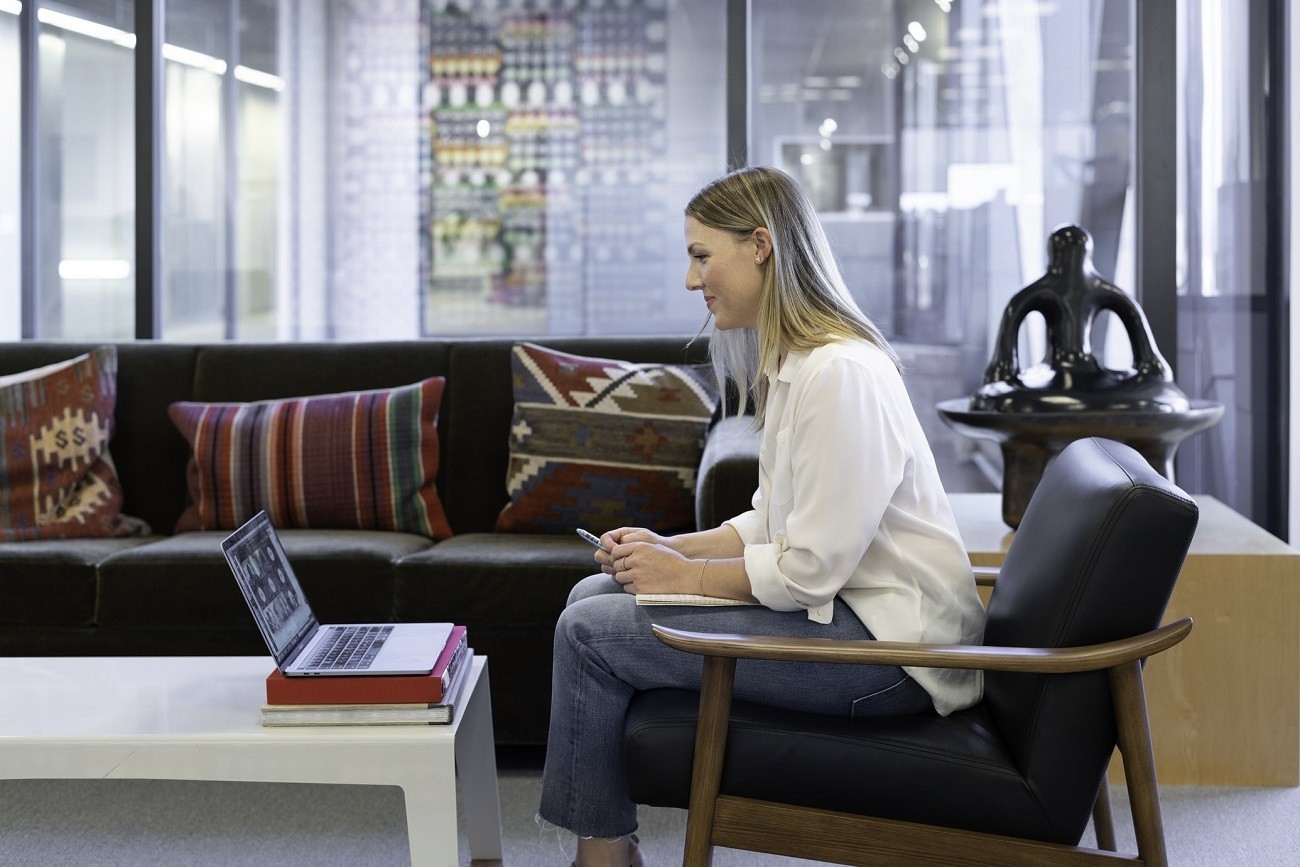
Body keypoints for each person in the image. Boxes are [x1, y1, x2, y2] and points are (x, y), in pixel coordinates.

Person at [536, 166, 986, 867]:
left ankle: (602, 859)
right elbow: (768, 520)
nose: (691, 281)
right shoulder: (799, 365)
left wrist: (683, 572)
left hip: (897, 654)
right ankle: (607, 849)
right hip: (853, 618)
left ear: (760, 246)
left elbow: (808, 569)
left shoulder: (839, 374)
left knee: (591, 631)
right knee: (593, 594)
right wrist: (666, 547)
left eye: (700, 255)